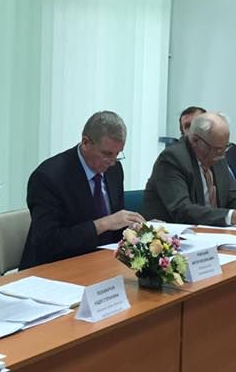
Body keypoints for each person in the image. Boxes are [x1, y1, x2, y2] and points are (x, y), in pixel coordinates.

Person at [20, 111, 144, 269]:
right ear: (85, 143)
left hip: (101, 264)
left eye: (117, 154)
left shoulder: (114, 170)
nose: (112, 162)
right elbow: (48, 242)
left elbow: (115, 229)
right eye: (107, 154)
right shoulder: (49, 177)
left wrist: (140, 230)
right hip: (56, 267)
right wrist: (103, 223)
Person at [143, 112, 236, 226]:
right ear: (195, 140)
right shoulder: (172, 159)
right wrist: (233, 216)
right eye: (217, 149)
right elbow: (182, 210)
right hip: (171, 234)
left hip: (211, 232)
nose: (222, 155)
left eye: (225, 148)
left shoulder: (217, 154)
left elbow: (232, 196)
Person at [178, 106, 236, 195]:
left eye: (199, 124)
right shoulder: (182, 162)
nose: (194, 129)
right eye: (188, 126)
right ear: (183, 135)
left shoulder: (231, 150)